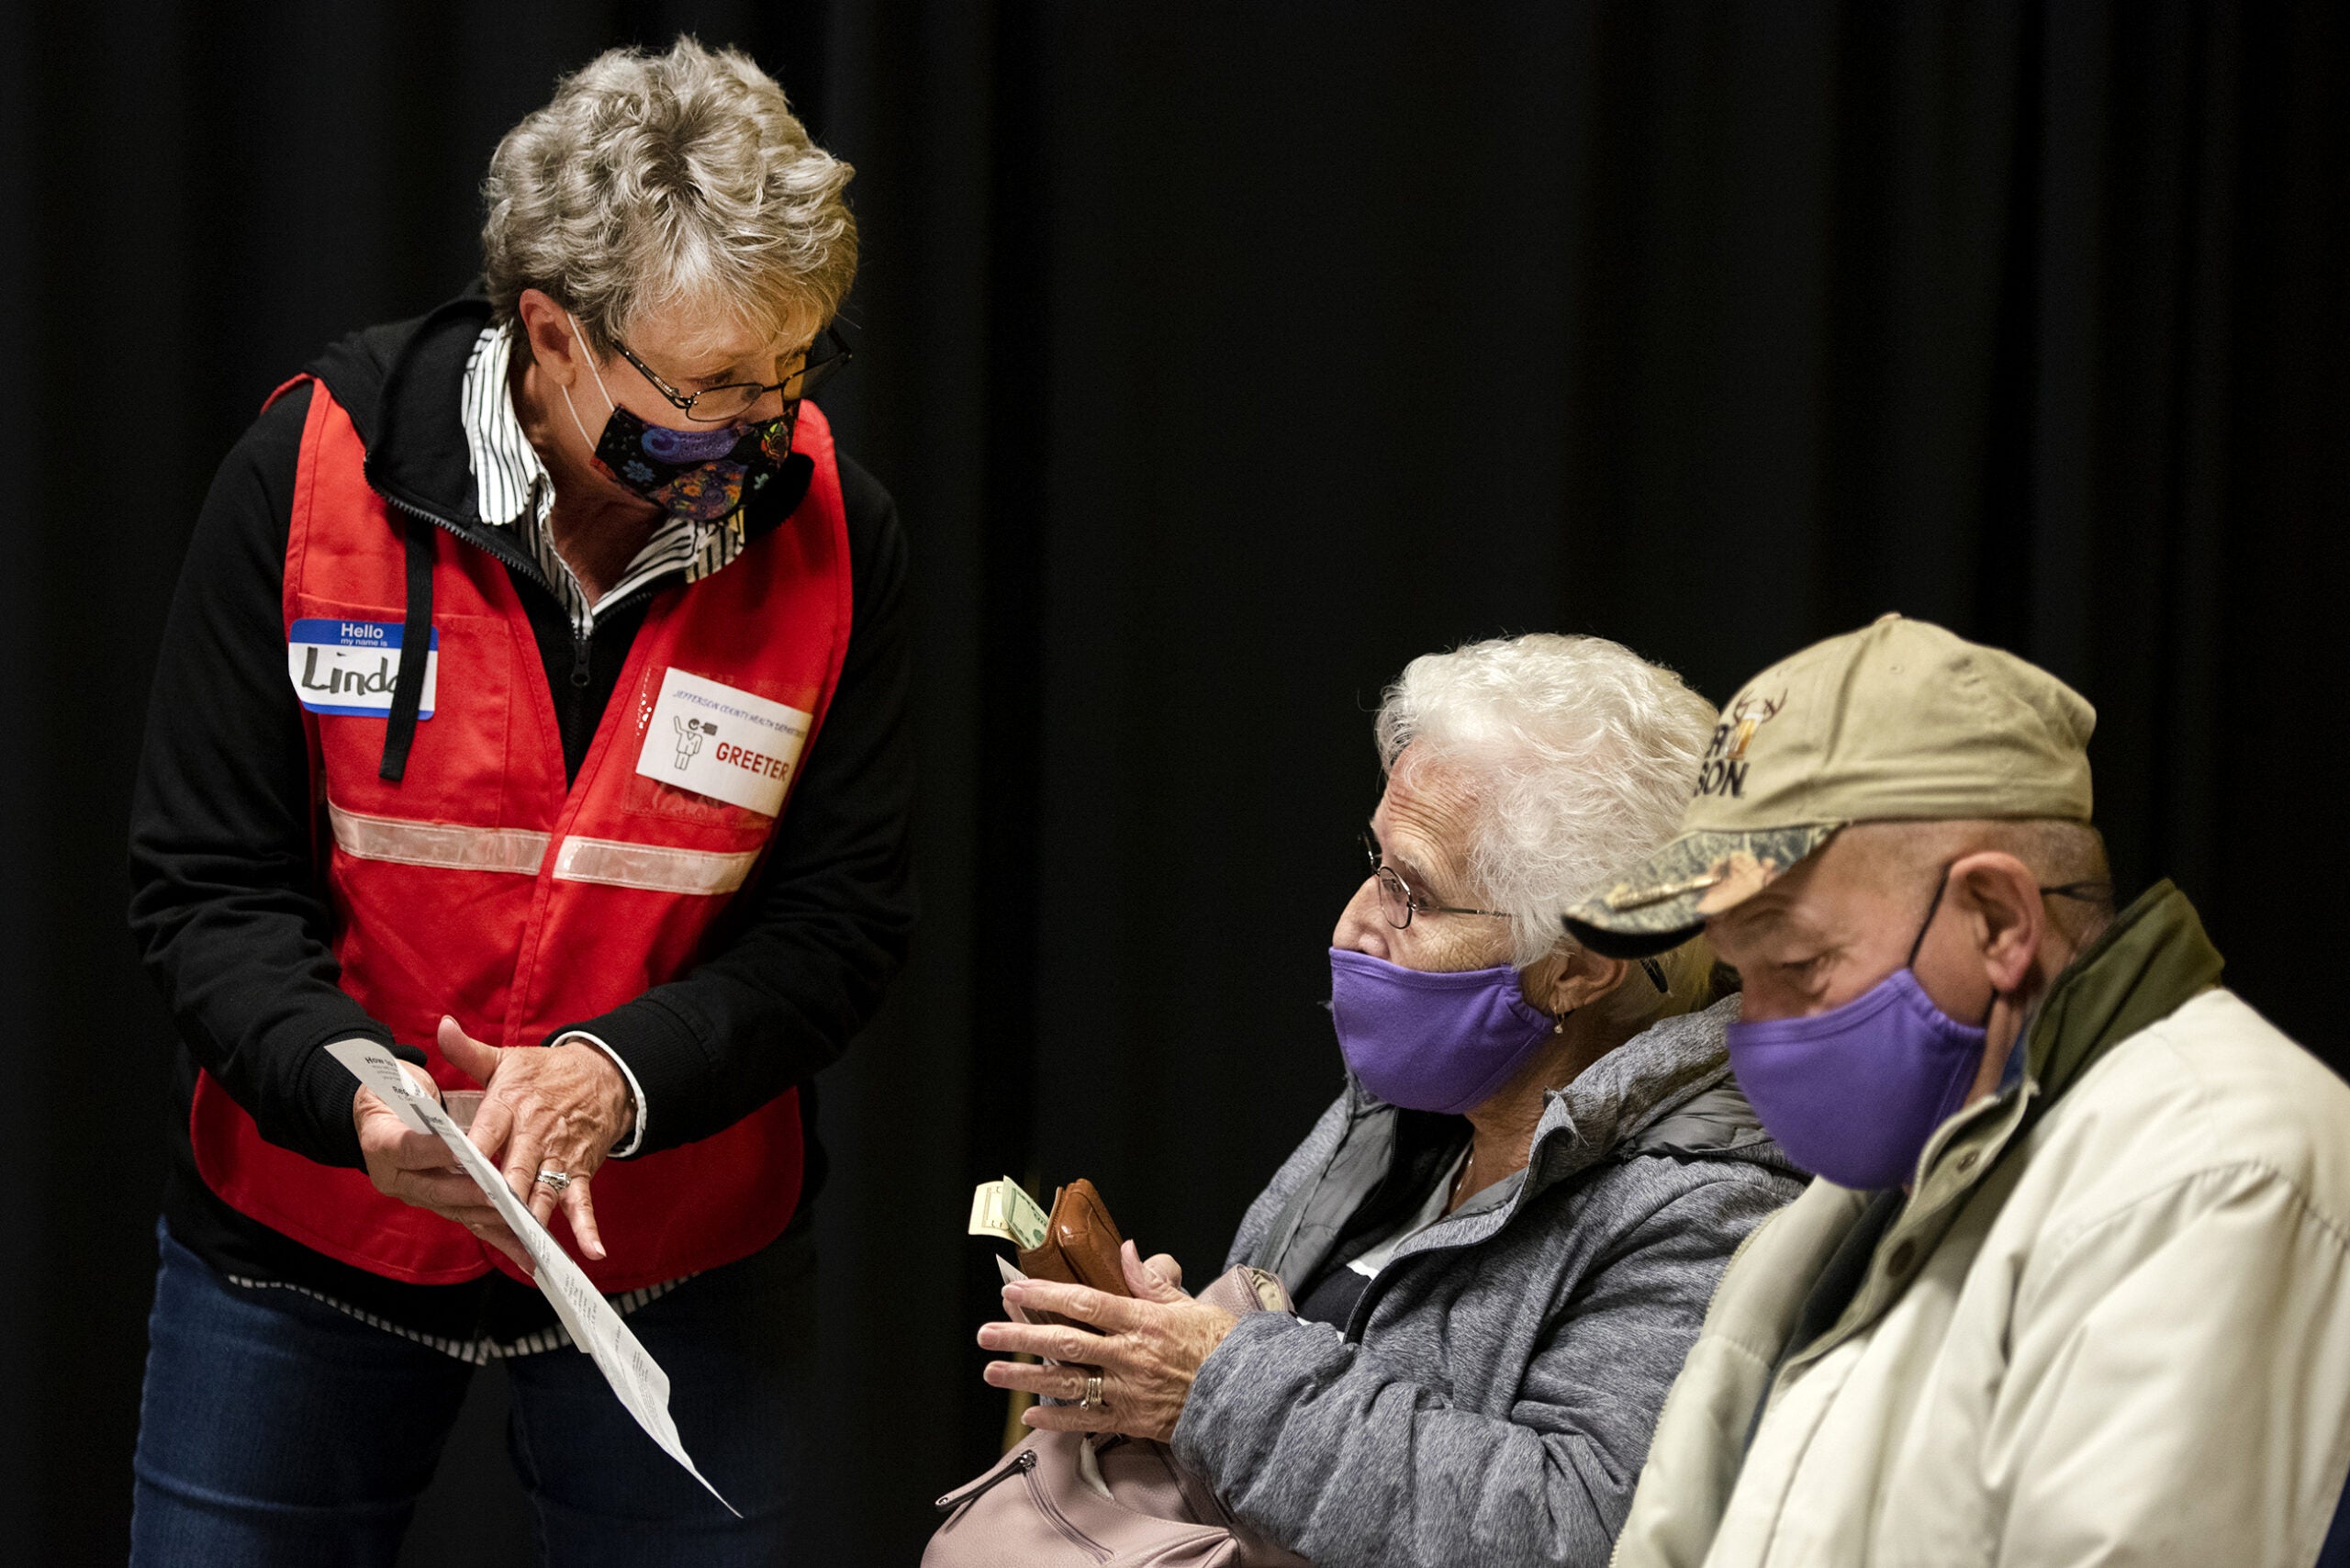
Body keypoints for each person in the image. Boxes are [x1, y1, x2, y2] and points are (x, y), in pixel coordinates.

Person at [125, 39, 912, 1565]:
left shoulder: (834, 529)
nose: (763, 431)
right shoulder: (310, 474)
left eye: (793, 370)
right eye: (708, 387)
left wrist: (622, 1073)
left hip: (682, 1259)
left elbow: (843, 921)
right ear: (550, 333)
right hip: (302, 1244)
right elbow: (202, 888)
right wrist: (354, 1093)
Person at [977, 633, 1808, 1567]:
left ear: (1577, 967)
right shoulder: (1414, 1111)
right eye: (1375, 862)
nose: (1352, 923)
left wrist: (1214, 1379)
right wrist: (1160, 1346)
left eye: (1409, 892)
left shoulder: (1712, 1205)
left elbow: (1572, 1528)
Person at [1565, 614, 2350, 1568]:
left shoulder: (2209, 1170)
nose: (1752, 1029)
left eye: (1799, 962)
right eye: (1738, 972)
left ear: (1997, 918)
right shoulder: (1837, 1213)